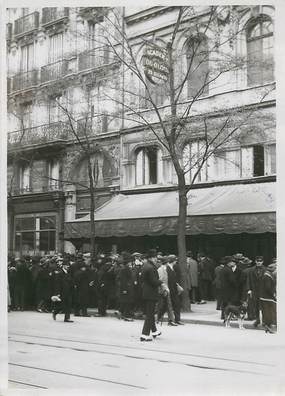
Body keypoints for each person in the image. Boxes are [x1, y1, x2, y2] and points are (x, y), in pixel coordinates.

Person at [140, 250, 162, 341]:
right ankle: (144, 335)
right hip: (151, 293)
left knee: (150, 313)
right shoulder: (151, 268)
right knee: (150, 314)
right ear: (151, 258)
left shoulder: (145, 266)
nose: (156, 259)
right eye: (155, 257)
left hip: (146, 292)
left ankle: (154, 331)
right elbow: (154, 281)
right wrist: (161, 282)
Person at [246, 256, 266, 327]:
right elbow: (248, 280)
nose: (259, 262)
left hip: (263, 291)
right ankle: (257, 320)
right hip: (254, 291)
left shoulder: (265, 270)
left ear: (262, 262)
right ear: (255, 261)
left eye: (260, 261)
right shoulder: (251, 270)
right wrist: (249, 289)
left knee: (264, 306)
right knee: (256, 306)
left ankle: (264, 321)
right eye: (257, 261)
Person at [157, 256, 177, 326]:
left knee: (168, 305)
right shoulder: (160, 269)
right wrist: (165, 288)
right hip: (163, 290)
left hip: (166, 289)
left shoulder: (165, 269)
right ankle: (158, 318)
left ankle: (170, 320)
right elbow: (160, 280)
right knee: (162, 305)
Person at [260, 262, 277, 333]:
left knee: (267, 311)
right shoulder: (268, 276)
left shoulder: (267, 275)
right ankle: (268, 326)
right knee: (269, 312)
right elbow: (268, 288)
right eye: (275, 268)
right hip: (267, 297)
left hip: (265, 297)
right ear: (272, 269)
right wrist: (273, 295)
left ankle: (267, 326)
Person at [167, 255, 184, 325]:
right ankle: (171, 320)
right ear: (173, 261)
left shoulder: (172, 268)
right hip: (170, 289)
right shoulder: (167, 268)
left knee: (177, 304)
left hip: (174, 289)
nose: (176, 261)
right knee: (169, 306)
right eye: (175, 260)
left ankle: (177, 319)